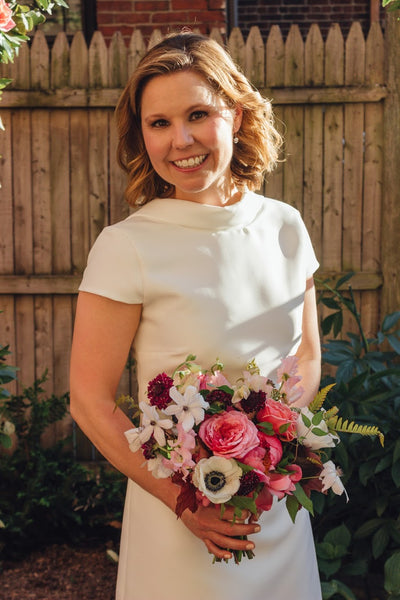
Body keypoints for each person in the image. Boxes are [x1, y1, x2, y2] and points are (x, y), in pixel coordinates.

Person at [70, 32, 322, 600]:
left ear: (234, 113)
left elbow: (305, 356)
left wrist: (263, 459)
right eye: (158, 123)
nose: (180, 140)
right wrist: (186, 503)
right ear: (142, 134)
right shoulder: (126, 245)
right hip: (179, 521)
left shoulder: (285, 225)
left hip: (275, 511)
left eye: (198, 114)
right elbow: (89, 400)